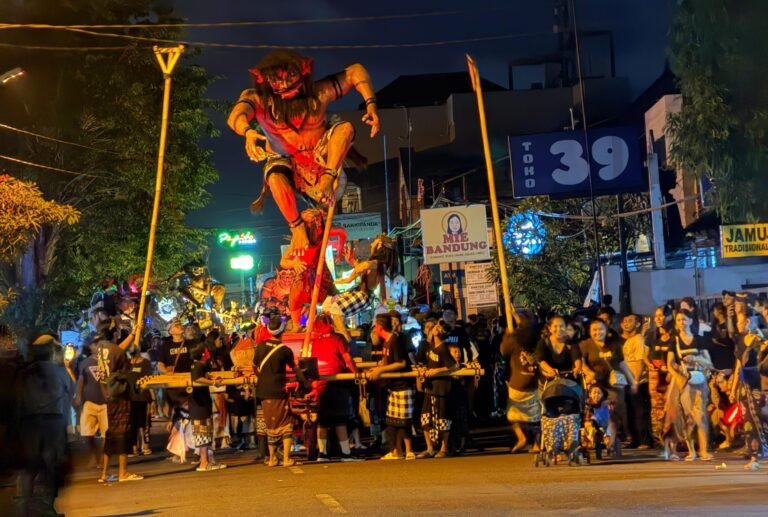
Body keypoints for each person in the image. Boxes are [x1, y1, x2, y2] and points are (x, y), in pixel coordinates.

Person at [227, 50, 380, 256]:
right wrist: (248, 132)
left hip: (322, 159)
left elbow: (355, 71)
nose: (283, 84)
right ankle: (297, 227)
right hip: (286, 161)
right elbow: (237, 114)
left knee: (345, 128)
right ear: (264, 80)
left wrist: (371, 104)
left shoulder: (319, 93)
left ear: (304, 74)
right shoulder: (259, 101)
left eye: (290, 77)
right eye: (276, 79)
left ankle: (327, 177)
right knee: (274, 177)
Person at [15, 334, 73, 517]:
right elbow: (70, 393)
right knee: (49, 466)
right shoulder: (58, 371)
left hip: (29, 424)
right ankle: (47, 508)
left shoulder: (24, 372)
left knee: (29, 468)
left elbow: (17, 400)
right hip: (52, 423)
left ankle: (24, 508)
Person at [253, 312, 307, 467]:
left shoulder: (261, 346)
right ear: (282, 331)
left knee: (271, 425)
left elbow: (254, 366)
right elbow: (295, 369)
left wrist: (261, 377)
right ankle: (286, 459)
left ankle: (271, 459)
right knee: (285, 425)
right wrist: (304, 381)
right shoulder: (285, 350)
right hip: (278, 391)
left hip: (263, 392)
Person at [323, 234, 398, 341]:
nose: (371, 244)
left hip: (363, 296)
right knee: (327, 303)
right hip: (358, 292)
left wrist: (347, 279)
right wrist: (353, 262)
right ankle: (338, 332)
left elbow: (363, 267)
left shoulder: (376, 263)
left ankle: (345, 339)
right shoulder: (377, 263)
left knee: (336, 307)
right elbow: (362, 269)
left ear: (379, 246)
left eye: (374, 242)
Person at [310, 313, 362, 463]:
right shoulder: (338, 338)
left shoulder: (314, 342)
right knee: (340, 420)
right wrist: (356, 373)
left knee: (323, 421)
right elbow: (347, 359)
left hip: (320, 385)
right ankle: (346, 453)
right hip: (338, 382)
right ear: (330, 324)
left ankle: (322, 454)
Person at [580, 319, 638, 453]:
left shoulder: (614, 345)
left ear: (606, 331)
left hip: (614, 384)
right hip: (596, 385)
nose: (597, 332)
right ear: (590, 331)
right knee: (594, 414)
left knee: (613, 413)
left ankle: (610, 441)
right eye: (594, 330)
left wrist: (633, 381)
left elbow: (622, 364)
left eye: (601, 329)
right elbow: (581, 362)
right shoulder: (585, 345)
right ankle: (595, 438)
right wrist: (589, 372)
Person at [665, 309, 713, 461]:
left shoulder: (699, 339)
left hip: (700, 380)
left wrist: (695, 358)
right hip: (684, 381)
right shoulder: (675, 341)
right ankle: (691, 450)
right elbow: (670, 364)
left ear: (691, 321)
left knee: (701, 416)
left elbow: (709, 362)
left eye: (684, 319)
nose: (681, 323)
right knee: (688, 417)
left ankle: (704, 450)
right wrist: (678, 377)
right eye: (678, 320)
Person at [367, 314, 416, 460]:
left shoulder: (395, 340)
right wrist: (376, 369)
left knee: (404, 422)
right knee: (392, 422)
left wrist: (380, 371)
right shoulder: (386, 342)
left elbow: (401, 363)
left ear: (380, 327)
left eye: (375, 325)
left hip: (403, 385)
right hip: (393, 386)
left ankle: (408, 451)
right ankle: (396, 451)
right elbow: (386, 361)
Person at [96, 333, 143, 483]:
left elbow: (120, 348)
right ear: (114, 333)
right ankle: (122, 472)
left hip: (109, 394)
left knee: (110, 433)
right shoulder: (116, 352)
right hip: (120, 393)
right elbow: (122, 355)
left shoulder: (102, 351)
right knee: (123, 431)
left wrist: (133, 333)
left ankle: (104, 473)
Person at [730, 314, 767, 470]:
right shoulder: (742, 341)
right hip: (748, 386)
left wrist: (761, 344)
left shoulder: (764, 336)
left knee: (760, 421)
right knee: (750, 423)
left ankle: (758, 454)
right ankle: (754, 456)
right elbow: (740, 365)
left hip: (762, 386)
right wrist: (733, 388)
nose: (742, 324)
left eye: (744, 320)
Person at [417, 321, 458, 459]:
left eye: (438, 328)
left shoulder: (443, 348)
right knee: (425, 418)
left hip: (441, 387)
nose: (435, 329)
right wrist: (424, 370)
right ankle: (429, 448)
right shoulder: (429, 347)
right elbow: (422, 362)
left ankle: (444, 448)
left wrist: (436, 371)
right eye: (435, 327)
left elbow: (453, 366)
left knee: (443, 418)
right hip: (430, 387)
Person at [503, 313, 542, 453]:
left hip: (527, 384)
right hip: (524, 384)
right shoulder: (537, 340)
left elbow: (503, 351)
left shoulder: (517, 340)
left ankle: (528, 440)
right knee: (527, 416)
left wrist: (507, 335)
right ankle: (528, 440)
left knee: (523, 416)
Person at [189, 343, 227, 472]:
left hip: (201, 404)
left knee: (206, 433)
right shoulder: (198, 365)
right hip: (199, 405)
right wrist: (212, 382)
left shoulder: (198, 365)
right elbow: (197, 378)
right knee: (202, 433)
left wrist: (211, 378)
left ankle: (208, 461)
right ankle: (204, 463)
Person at [620, 313, 652, 449]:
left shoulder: (639, 340)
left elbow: (641, 362)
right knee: (630, 411)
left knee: (640, 411)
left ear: (638, 324)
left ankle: (645, 440)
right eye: (624, 321)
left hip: (638, 381)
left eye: (630, 321)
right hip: (628, 381)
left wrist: (636, 381)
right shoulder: (628, 340)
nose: (626, 323)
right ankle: (635, 439)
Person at [648, 310, 674, 447]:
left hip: (670, 376)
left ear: (669, 317)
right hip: (655, 377)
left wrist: (670, 370)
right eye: (656, 315)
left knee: (671, 407)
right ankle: (660, 439)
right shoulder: (652, 335)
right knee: (657, 409)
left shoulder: (674, 335)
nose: (658, 318)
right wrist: (650, 366)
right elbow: (645, 355)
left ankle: (674, 439)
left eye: (661, 315)